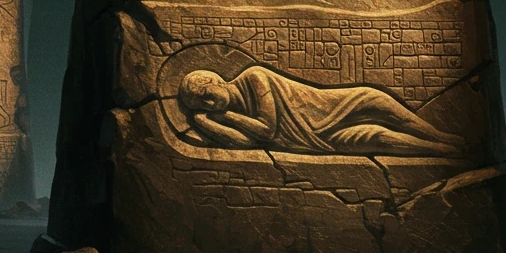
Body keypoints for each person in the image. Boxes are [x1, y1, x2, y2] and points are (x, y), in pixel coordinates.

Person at [177, 66, 465, 157]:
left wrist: (225, 117)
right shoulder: (229, 117)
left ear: (216, 80)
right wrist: (205, 124)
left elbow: (266, 130)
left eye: (205, 95)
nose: (208, 104)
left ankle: (446, 139)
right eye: (200, 105)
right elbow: (246, 142)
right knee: (378, 139)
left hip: (343, 103)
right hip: (321, 140)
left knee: (395, 116)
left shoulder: (254, 77)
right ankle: (445, 151)